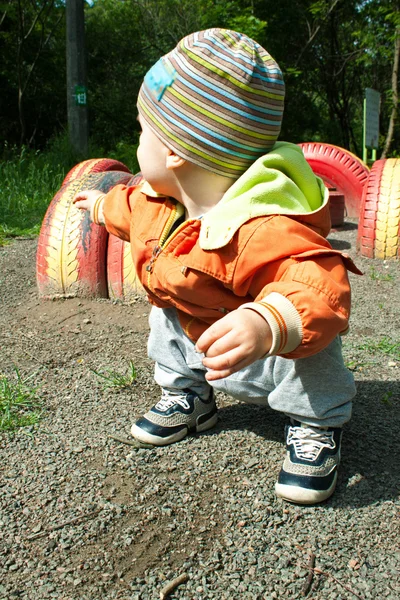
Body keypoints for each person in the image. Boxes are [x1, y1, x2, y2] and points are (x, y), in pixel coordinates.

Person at [74, 28, 360, 505]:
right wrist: (101, 207)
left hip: (268, 355)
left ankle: (316, 424)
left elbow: (319, 282)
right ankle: (190, 397)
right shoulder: (157, 201)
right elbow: (129, 210)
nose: (136, 143)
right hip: (202, 342)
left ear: (173, 153)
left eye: (143, 130)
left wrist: (267, 322)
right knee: (164, 309)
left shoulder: (261, 225)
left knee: (311, 339)